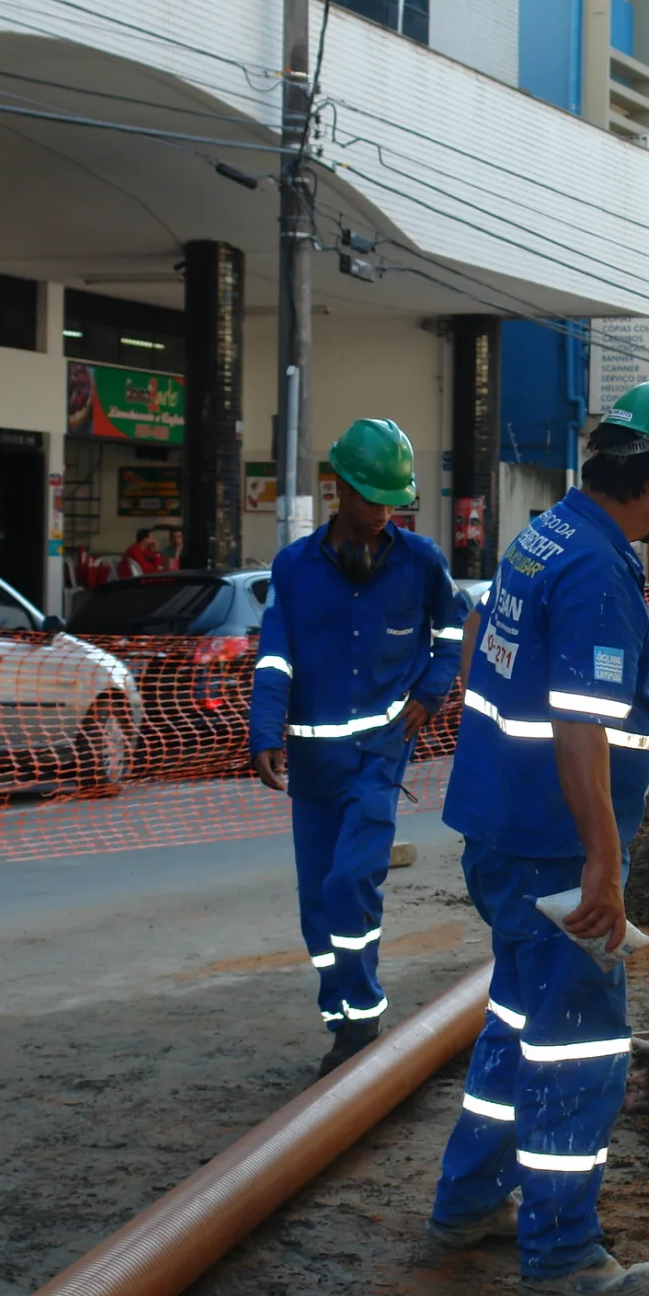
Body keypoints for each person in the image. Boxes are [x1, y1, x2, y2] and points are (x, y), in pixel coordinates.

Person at [426, 380, 649, 1296]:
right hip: (557, 851)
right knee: (580, 1046)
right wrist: (603, 858)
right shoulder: (594, 565)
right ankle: (561, 1253)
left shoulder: (545, 533)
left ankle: (469, 1198)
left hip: (503, 831)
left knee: (517, 1021)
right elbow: (580, 722)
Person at [247, 420, 468, 1075]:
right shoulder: (292, 569)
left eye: (393, 501)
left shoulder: (421, 562)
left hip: (378, 757)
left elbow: (453, 630)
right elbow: (274, 658)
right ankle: (338, 1013)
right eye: (371, 499)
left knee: (351, 880)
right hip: (313, 766)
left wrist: (430, 692)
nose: (382, 515)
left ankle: (364, 1010)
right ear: (337, 488)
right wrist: (265, 733)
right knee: (317, 899)